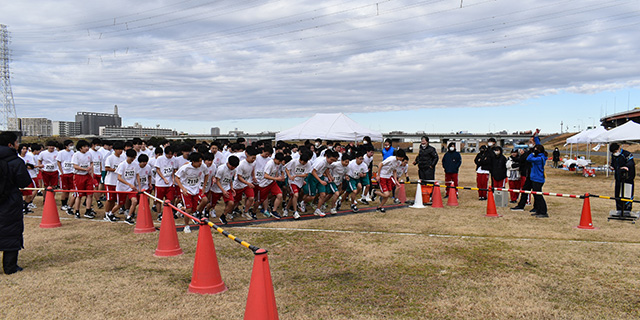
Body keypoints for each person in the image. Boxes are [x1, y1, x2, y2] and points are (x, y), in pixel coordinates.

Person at [0, 131, 32, 274]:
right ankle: (10, 266)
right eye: (17, 143)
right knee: (11, 229)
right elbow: (24, 182)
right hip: (10, 199)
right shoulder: (16, 161)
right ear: (10, 145)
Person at [174, 152, 208, 233]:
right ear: (193, 161)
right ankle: (186, 226)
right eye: (198, 161)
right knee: (189, 210)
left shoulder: (203, 166)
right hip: (186, 190)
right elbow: (176, 178)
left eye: (201, 161)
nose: (200, 163)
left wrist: (203, 187)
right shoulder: (185, 168)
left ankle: (181, 208)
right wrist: (183, 188)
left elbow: (206, 174)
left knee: (193, 210)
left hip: (196, 190)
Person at [511, 130, 541, 211]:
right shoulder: (528, 152)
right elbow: (522, 160)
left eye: (531, 142)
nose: (529, 143)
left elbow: (538, 145)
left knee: (536, 193)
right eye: (529, 141)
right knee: (524, 191)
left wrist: (536, 136)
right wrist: (521, 154)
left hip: (536, 176)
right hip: (528, 175)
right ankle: (521, 206)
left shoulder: (538, 152)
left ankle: (537, 207)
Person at [110, 149, 141, 225]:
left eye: (134, 157)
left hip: (131, 189)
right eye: (131, 158)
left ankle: (129, 217)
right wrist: (129, 184)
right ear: (127, 156)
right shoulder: (122, 165)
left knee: (134, 201)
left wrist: (139, 186)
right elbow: (119, 178)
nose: (132, 159)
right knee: (120, 204)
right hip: (121, 188)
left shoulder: (135, 165)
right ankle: (110, 214)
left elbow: (137, 175)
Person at [71, 140, 96, 219]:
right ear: (80, 148)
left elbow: (91, 162)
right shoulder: (76, 155)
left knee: (90, 194)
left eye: (87, 146)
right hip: (79, 176)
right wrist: (83, 169)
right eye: (84, 147)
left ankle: (88, 210)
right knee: (79, 195)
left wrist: (90, 168)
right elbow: (75, 166)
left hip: (87, 176)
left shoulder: (89, 154)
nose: (87, 148)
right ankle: (77, 211)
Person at [211, 155, 239, 225]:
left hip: (226, 187)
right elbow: (217, 181)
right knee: (211, 204)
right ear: (228, 163)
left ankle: (223, 216)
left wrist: (231, 187)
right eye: (232, 166)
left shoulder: (234, 170)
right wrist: (223, 190)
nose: (233, 168)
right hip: (217, 188)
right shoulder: (221, 169)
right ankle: (208, 210)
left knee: (231, 203)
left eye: (235, 167)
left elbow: (230, 179)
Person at [609, 143, 635, 215]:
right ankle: (619, 210)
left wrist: (626, 167)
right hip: (618, 178)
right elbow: (613, 164)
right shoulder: (613, 156)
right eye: (613, 152)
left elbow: (631, 163)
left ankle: (627, 210)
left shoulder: (627, 154)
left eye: (615, 151)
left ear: (619, 148)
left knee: (627, 194)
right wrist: (612, 167)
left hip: (628, 178)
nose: (615, 153)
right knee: (617, 195)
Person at [413, 136, 438, 203]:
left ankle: (430, 196)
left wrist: (432, 165)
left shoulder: (431, 149)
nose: (423, 142)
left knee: (429, 182)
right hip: (421, 168)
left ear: (427, 142)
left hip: (428, 169)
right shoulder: (421, 148)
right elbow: (419, 156)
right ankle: (423, 195)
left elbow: (436, 158)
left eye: (424, 141)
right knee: (422, 182)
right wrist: (416, 161)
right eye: (422, 141)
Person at [527, 144, 548, 218]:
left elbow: (528, 159)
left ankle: (543, 211)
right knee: (536, 195)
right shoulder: (540, 157)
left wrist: (532, 153)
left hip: (538, 178)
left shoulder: (539, 158)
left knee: (539, 196)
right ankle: (538, 210)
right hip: (534, 178)